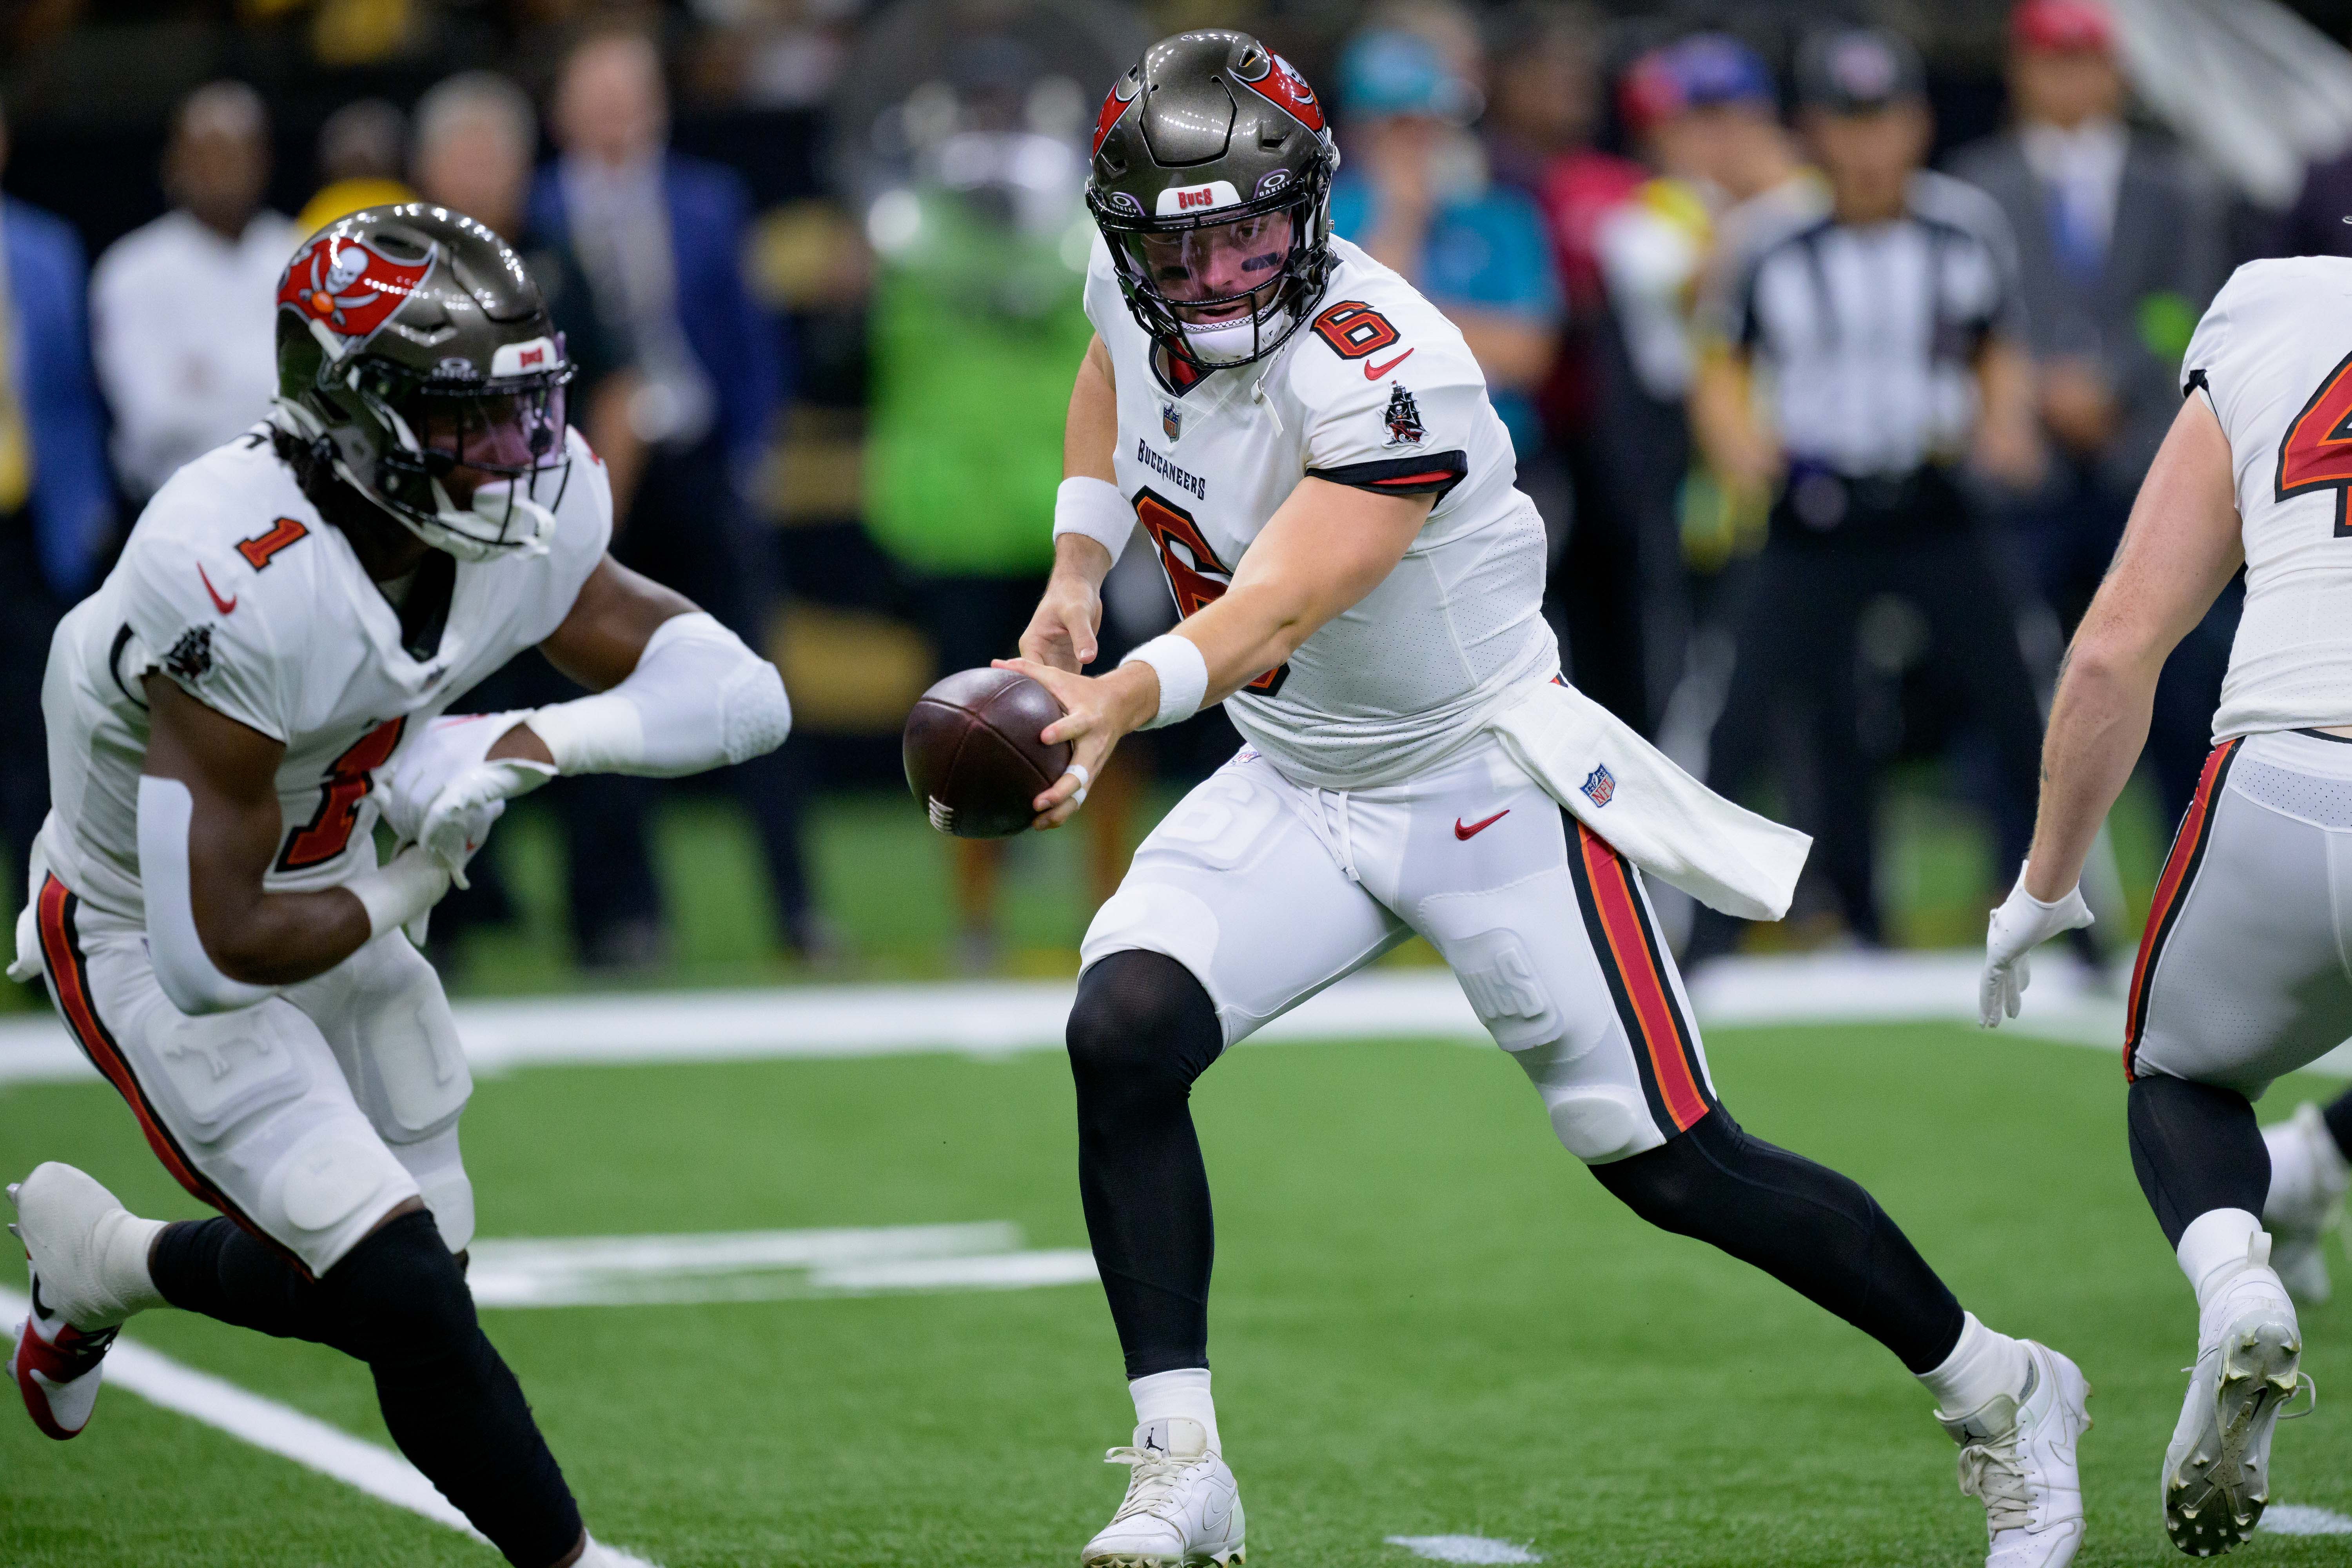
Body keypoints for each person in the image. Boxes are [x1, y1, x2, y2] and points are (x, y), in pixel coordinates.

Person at [1012, 31, 2086, 1568]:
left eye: (1250, 231)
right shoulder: (1140, 286)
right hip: (1303, 771)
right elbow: (1109, 371)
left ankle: (2002, 1388)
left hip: (1482, 776)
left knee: (1670, 1159)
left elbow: (1280, 603)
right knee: (1122, 1029)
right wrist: (1076, 566)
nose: (1222, 272)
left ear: (1309, 207)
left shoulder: (1394, 363)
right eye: (1183, 247)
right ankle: (1182, 1467)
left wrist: (1119, 694)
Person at [2, 207, 790, 1568]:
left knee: (408, 1290)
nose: (509, 451)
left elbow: (740, 692)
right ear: (349, 416)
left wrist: (524, 743)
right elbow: (214, 948)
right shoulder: (229, 568)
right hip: (152, 925)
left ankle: (108, 1264)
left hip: (330, 876)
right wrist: (415, 878)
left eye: (519, 407)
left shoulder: (510, 512)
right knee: (408, 1293)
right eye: (462, 416)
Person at [1977, 241, 2352, 1552]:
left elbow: (2116, 646)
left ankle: (2234, 1271)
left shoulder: (2275, 302)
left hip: (2284, 774)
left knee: (2182, 1077)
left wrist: (2044, 884)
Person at [1684, 25, 2047, 963]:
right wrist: (1739, 448)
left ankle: (2058, 906)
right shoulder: (1769, 237)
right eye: (1848, 121)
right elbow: (1720, 362)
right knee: (1749, 711)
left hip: (1936, 494)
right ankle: (1710, 931)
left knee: (2017, 700)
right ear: (1814, 129)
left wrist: (2004, 423)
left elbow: (1996, 345)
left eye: (1884, 119)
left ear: (1917, 124)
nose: (1868, 143)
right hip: (1818, 502)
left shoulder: (1962, 224)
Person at [533, 28, 822, 963]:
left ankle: (796, 906)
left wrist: (749, 451)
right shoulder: (538, 212)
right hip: (597, 476)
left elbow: (750, 338)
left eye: (631, 97)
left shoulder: (707, 199)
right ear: (565, 114)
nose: (617, 117)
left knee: (754, 679)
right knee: (604, 689)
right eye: (599, 99)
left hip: (699, 464)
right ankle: (628, 915)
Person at [1946, 0, 2231, 825]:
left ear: (2116, 74)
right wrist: (2035, 386)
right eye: (2052, 62)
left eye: (2085, 62)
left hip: (2141, 455)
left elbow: (2185, 309)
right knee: (2009, 670)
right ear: (2020, 71)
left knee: (2180, 671)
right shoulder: (1975, 184)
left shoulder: (2175, 184)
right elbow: (1967, 311)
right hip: (2022, 460)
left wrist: (2110, 383)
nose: (2070, 81)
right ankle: (2018, 864)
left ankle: (2189, 851)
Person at [0, 96, 114, 914]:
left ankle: (41, 922)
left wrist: (86, 507)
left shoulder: (46, 249)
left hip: (30, 527)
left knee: (40, 733)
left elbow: (75, 396)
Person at [91, 81, 299, 507]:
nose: (220, 170)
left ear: (264, 161)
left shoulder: (304, 256)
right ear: (173, 164)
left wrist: (211, 378)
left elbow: (329, 408)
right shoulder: (131, 270)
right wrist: (269, 387)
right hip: (179, 507)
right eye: (205, 154)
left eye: (234, 154)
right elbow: (152, 420)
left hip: (299, 502)